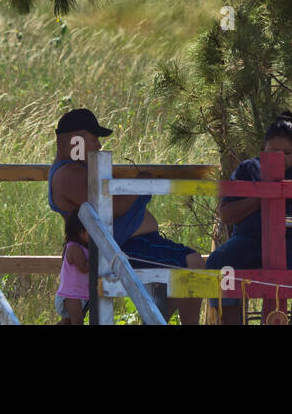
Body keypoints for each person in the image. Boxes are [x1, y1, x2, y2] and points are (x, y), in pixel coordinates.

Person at [47, 107, 204, 324]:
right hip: (121, 246)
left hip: (126, 243)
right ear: (76, 141)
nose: (99, 146)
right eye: (94, 139)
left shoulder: (73, 170)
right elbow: (112, 208)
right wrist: (140, 185)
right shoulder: (69, 175)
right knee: (192, 262)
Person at [206, 110, 292, 324]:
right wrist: (263, 196)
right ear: (263, 148)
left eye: (287, 152)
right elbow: (226, 214)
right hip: (251, 241)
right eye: (273, 151)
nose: (280, 157)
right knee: (220, 262)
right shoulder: (248, 169)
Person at [56, 211, 90, 325]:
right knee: (77, 321)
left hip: (77, 293)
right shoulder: (75, 249)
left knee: (68, 322)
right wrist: (98, 259)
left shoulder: (81, 247)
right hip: (71, 295)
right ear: (81, 231)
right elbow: (84, 267)